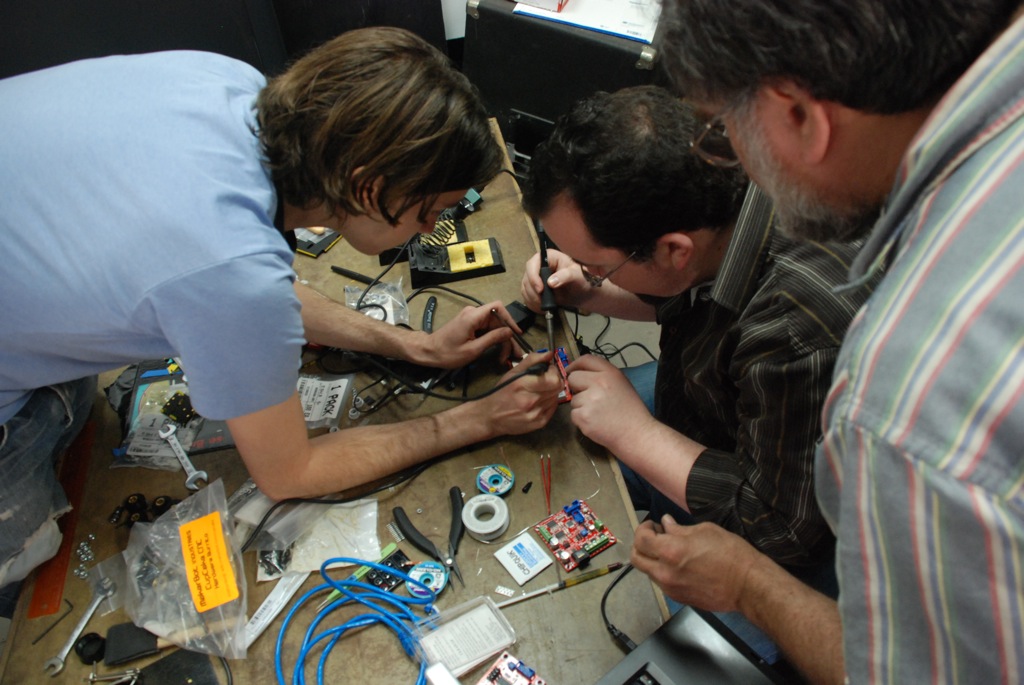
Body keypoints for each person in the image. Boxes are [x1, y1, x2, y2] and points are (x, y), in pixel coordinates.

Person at [0, 26, 562, 590]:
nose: (430, 229)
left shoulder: (232, 85)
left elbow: (246, 283)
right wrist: (479, 418)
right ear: (368, 189)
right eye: (429, 211)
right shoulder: (229, 270)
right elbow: (290, 472)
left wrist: (417, 345)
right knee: (36, 540)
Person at [631, 2, 1024, 683]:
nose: (737, 163)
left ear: (800, 116)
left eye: (724, 129)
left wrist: (748, 583)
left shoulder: (902, 408)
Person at [520, 87, 874, 579]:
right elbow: (690, 292)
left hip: (784, 517)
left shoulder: (796, 331)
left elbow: (782, 528)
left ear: (673, 250)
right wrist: (590, 291)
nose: (588, 271)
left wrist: (636, 434)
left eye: (596, 265)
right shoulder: (720, 192)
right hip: (714, 399)